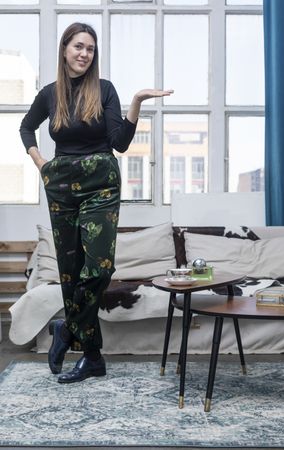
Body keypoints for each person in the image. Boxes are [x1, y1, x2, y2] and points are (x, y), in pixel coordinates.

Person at [19, 22, 173, 384]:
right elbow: (26, 127)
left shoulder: (104, 90)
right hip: (61, 186)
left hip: (100, 183)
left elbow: (119, 143)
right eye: (78, 47)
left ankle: (67, 329)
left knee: (98, 268)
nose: (84, 54)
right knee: (70, 272)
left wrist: (135, 103)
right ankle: (92, 358)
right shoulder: (49, 95)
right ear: (64, 50)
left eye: (90, 49)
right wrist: (41, 162)